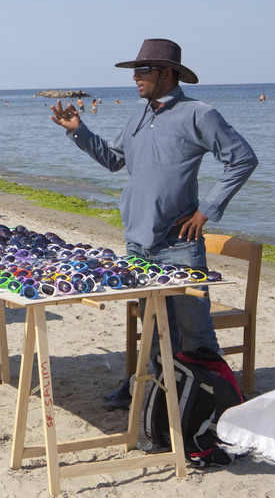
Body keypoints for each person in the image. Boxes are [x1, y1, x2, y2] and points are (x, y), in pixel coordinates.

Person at [49, 38, 258, 408]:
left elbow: (242, 158)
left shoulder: (199, 113)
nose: (135, 78)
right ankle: (155, 396)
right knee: (155, 330)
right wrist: (77, 130)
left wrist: (205, 211)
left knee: (196, 332)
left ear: (167, 73)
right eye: (134, 71)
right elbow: (114, 161)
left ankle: (214, 404)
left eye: (142, 71)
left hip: (179, 245)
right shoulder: (140, 114)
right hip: (137, 242)